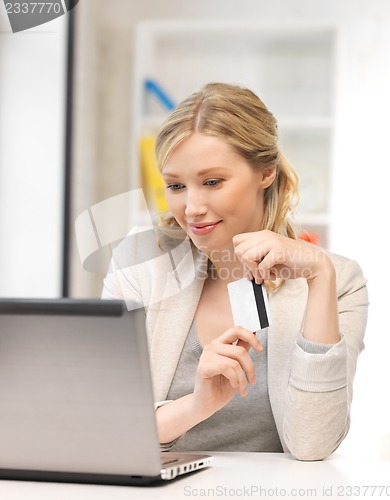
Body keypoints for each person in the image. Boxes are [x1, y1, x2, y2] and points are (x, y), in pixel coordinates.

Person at [102, 82, 368, 461]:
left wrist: (320, 275)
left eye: (212, 182)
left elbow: (313, 444)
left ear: (266, 173)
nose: (191, 207)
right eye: (176, 185)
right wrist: (195, 406)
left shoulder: (340, 281)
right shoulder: (140, 261)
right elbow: (109, 429)